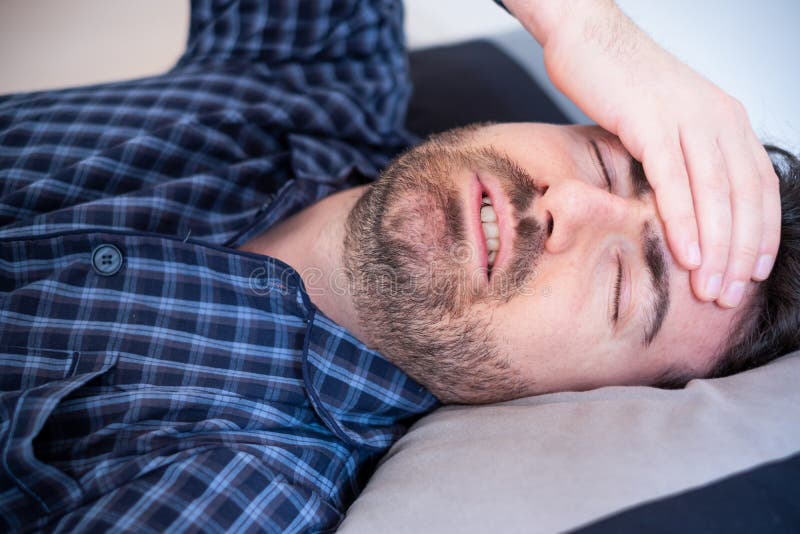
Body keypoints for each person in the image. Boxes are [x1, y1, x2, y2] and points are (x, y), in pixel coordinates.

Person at [0, 0, 796, 532]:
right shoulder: (312, 78)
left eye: (622, 283)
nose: (568, 209)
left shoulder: (245, 489)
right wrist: (591, 27)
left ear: (591, 403)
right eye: (603, 160)